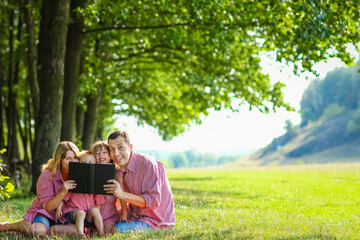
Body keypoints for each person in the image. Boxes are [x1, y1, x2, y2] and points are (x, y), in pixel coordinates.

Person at [0, 141, 79, 237]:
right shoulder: (47, 175)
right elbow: (48, 208)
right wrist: (62, 192)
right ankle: (9, 226)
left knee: (76, 231)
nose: (73, 161)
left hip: (64, 216)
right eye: (68, 158)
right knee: (38, 231)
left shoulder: (79, 175)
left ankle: (27, 231)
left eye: (75, 158)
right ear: (59, 160)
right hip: (45, 213)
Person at [104, 130, 175, 233]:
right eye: (112, 149)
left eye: (120, 147)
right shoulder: (120, 169)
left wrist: (122, 194)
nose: (116, 153)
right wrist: (124, 213)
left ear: (130, 147)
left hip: (155, 221)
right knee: (105, 224)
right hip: (134, 215)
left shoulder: (148, 165)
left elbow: (153, 202)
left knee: (116, 230)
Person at [56, 150, 105, 237]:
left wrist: (95, 216)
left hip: (87, 216)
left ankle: (101, 233)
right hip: (73, 214)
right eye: (84, 162)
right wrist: (58, 209)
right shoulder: (73, 182)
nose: (87, 164)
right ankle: (80, 234)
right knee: (81, 213)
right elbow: (63, 198)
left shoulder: (95, 184)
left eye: (90, 163)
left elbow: (98, 204)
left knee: (95, 210)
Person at [90, 141, 127, 235]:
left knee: (107, 233)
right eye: (97, 153)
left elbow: (122, 196)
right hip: (92, 214)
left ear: (110, 155)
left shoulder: (117, 173)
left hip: (110, 215)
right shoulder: (90, 172)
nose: (100, 155)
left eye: (104, 152)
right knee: (93, 234)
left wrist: (124, 213)